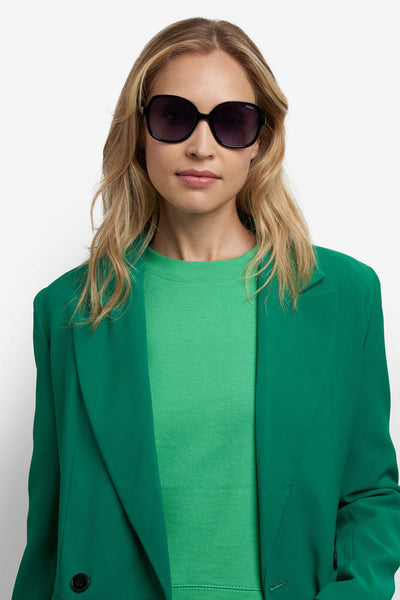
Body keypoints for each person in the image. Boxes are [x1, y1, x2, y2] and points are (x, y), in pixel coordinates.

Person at [12, 17, 400, 600]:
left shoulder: (345, 295)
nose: (201, 146)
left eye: (231, 122)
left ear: (261, 140)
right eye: (174, 116)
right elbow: (49, 523)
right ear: (139, 132)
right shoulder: (69, 308)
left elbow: (370, 492)